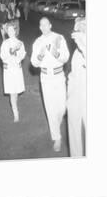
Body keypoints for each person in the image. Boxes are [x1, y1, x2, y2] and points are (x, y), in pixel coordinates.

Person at [31, 17, 70, 152]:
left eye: (45, 24)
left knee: (62, 107)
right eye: (41, 25)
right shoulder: (37, 42)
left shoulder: (59, 38)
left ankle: (56, 125)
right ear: (40, 27)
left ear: (50, 25)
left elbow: (65, 57)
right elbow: (34, 63)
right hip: (46, 78)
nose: (43, 27)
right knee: (50, 108)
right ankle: (56, 137)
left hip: (59, 76)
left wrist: (56, 53)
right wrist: (40, 55)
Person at [67, 17, 87, 157]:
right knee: (73, 130)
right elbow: (73, 74)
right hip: (75, 94)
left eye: (82, 27)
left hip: (87, 95)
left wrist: (84, 45)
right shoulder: (76, 52)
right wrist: (69, 96)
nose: (78, 29)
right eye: (77, 27)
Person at [0, 20, 26, 122]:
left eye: (12, 30)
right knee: (12, 92)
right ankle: (16, 114)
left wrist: (18, 56)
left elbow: (23, 55)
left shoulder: (20, 43)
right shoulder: (5, 43)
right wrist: (10, 53)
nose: (10, 32)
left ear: (15, 31)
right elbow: (2, 56)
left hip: (17, 69)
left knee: (16, 92)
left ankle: (15, 105)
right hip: (9, 70)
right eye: (9, 30)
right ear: (7, 32)